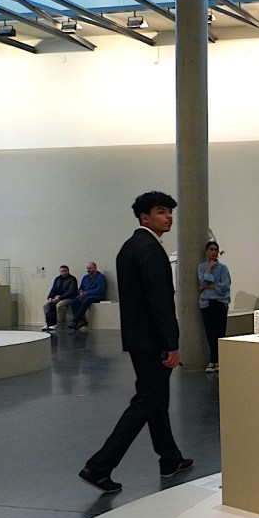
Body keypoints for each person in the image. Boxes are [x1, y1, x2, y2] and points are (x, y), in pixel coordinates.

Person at [79, 190, 193, 493]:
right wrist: (171, 342)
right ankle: (99, 466)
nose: (169, 217)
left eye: (170, 211)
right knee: (146, 400)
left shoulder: (129, 247)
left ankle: (170, 458)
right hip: (153, 340)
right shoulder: (150, 249)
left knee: (156, 399)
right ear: (145, 217)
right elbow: (159, 300)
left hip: (139, 338)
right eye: (161, 211)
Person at [197, 240, 231, 373]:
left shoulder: (223, 268)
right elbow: (202, 281)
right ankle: (214, 360)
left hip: (220, 302)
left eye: (216, 249)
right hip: (206, 303)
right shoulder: (201, 267)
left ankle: (216, 360)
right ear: (206, 252)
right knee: (209, 332)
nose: (214, 252)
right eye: (211, 249)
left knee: (219, 332)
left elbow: (225, 286)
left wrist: (208, 286)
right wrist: (209, 269)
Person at [67, 262, 108, 329]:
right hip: (85, 295)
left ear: (95, 268)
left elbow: (100, 289)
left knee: (86, 300)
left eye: (90, 268)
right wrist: (80, 292)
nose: (88, 270)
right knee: (74, 302)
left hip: (96, 296)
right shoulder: (85, 277)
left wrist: (87, 293)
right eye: (87, 268)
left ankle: (75, 320)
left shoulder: (101, 277)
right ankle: (82, 320)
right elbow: (81, 287)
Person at [41, 265, 77, 331]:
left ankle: (59, 324)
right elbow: (53, 289)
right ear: (60, 272)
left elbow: (71, 291)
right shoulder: (57, 279)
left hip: (69, 298)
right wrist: (50, 297)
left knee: (59, 305)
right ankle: (48, 323)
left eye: (65, 271)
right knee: (46, 306)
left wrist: (59, 298)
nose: (64, 273)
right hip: (57, 297)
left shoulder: (72, 279)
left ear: (68, 271)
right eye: (62, 271)